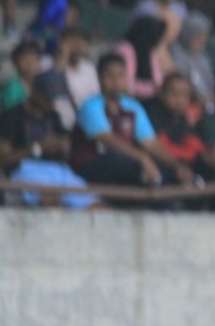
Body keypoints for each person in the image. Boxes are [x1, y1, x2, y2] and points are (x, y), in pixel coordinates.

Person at [73, 52, 192, 189]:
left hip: (126, 163)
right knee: (122, 162)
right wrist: (142, 158)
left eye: (120, 75)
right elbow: (109, 140)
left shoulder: (133, 106)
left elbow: (150, 143)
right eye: (110, 76)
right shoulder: (91, 106)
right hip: (91, 166)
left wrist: (176, 165)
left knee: (169, 171)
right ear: (99, 78)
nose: (116, 81)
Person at [0, 72, 94, 209]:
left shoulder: (54, 116)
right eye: (48, 97)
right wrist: (37, 147)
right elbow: (4, 160)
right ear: (35, 92)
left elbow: (66, 147)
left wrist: (63, 146)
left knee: (96, 205)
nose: (52, 102)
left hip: (58, 170)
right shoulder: (13, 115)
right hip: (25, 170)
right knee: (51, 200)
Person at [2, 39, 41, 111]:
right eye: (25, 60)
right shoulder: (12, 89)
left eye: (34, 59)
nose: (30, 64)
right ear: (16, 63)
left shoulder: (42, 84)